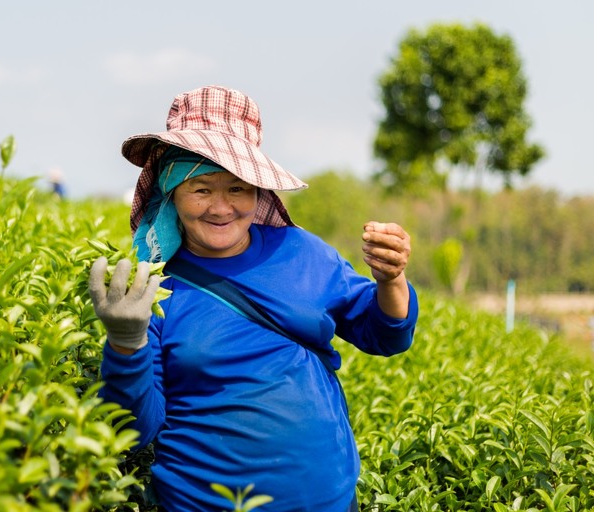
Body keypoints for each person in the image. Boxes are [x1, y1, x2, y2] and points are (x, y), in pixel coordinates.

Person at [89, 85, 418, 512]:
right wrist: (125, 342)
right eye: (202, 189)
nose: (222, 208)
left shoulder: (302, 253)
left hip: (330, 501)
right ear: (171, 194)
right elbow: (133, 429)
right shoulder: (151, 286)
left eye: (238, 189)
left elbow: (386, 335)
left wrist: (391, 279)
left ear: (258, 193)